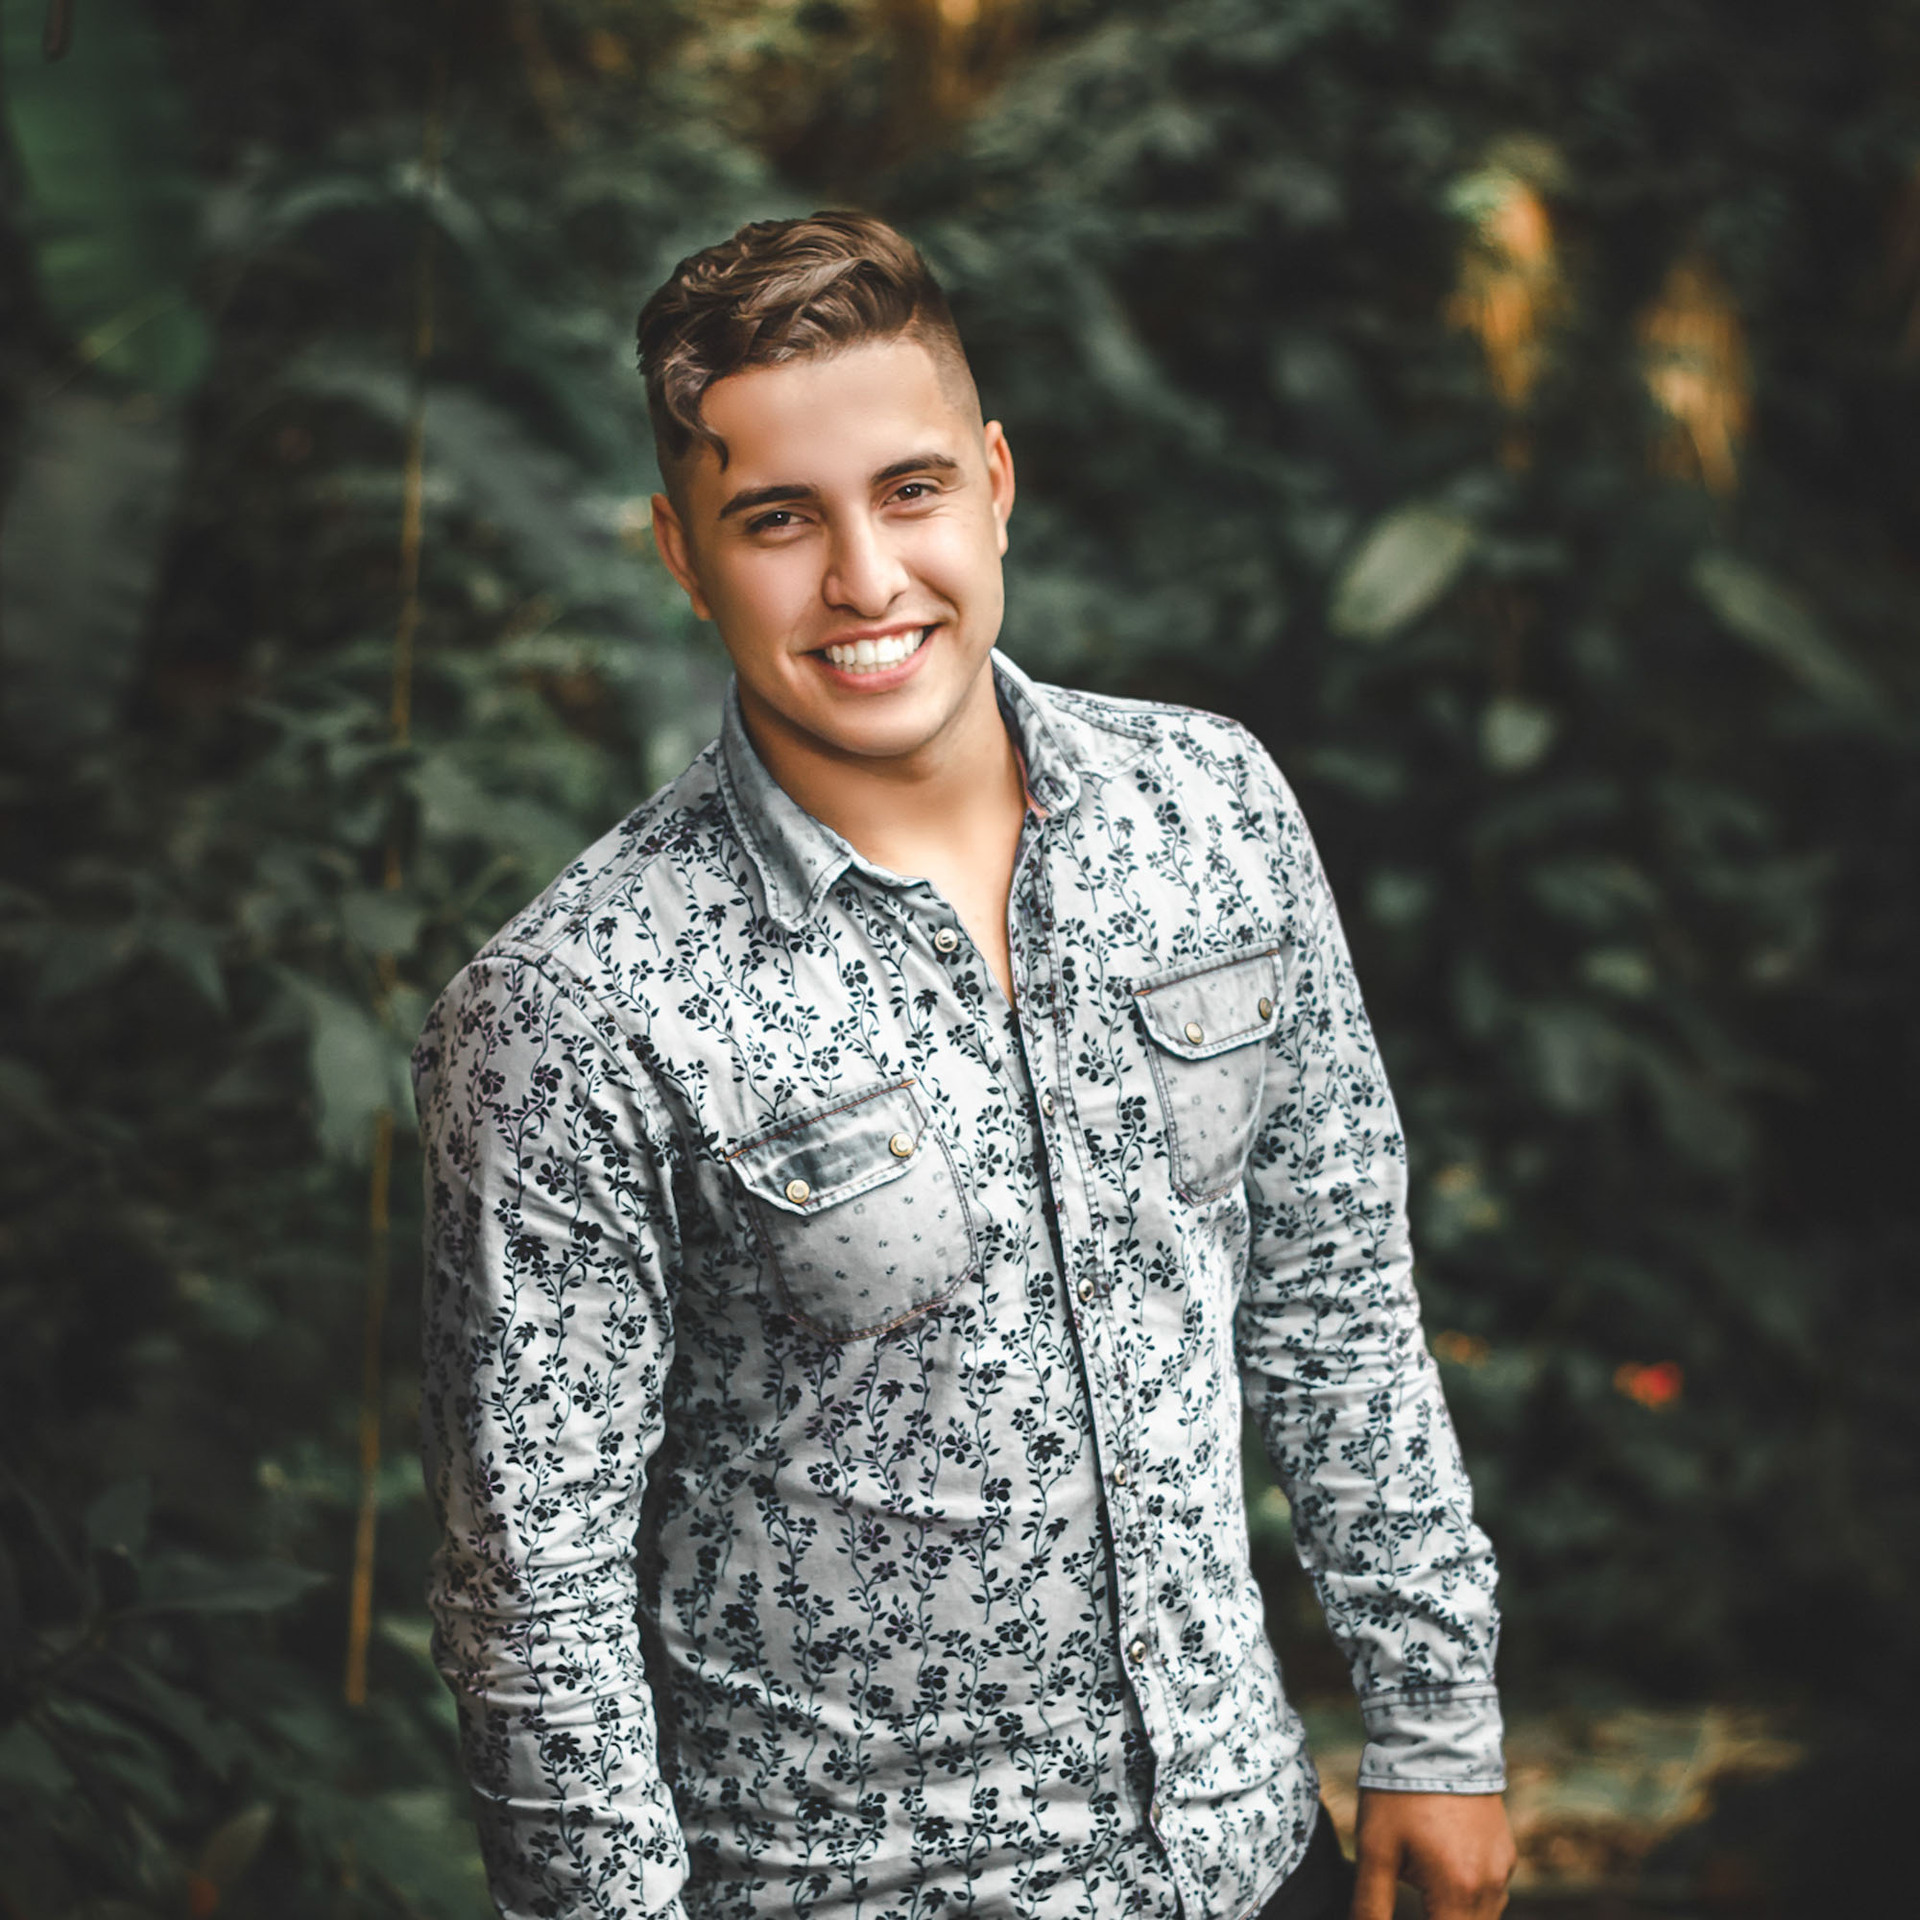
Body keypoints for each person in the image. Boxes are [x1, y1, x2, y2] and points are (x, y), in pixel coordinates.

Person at [415, 210, 1515, 1920]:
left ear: (995, 482)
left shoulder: (1210, 813)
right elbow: (532, 1593)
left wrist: (1436, 1724)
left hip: (1249, 1859)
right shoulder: (575, 1005)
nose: (865, 580)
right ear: (683, 554)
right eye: (779, 519)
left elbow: (1336, 1298)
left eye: (910, 490)